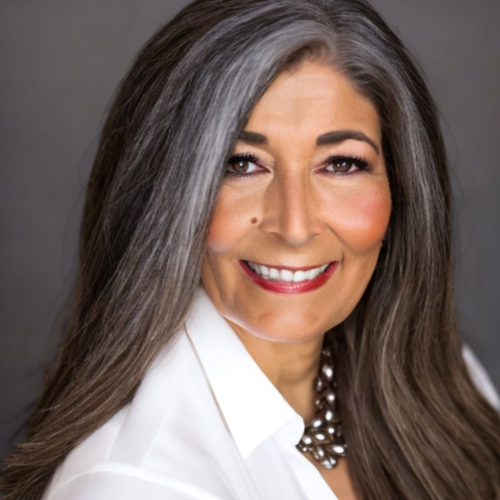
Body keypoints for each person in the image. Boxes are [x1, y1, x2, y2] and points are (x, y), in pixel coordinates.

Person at [1, 0, 499, 498]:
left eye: (341, 164)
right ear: (166, 196)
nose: (295, 226)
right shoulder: (138, 485)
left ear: (402, 189)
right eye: (241, 164)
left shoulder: (435, 377)